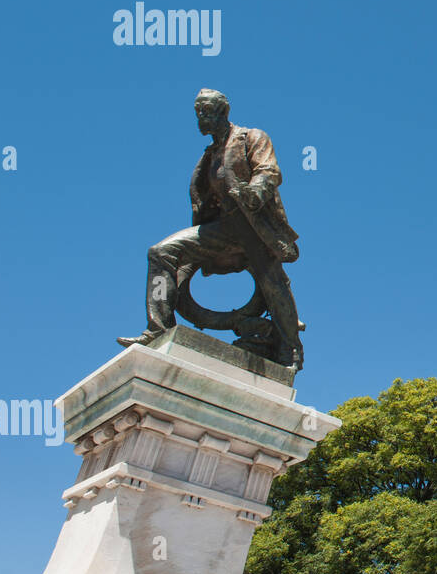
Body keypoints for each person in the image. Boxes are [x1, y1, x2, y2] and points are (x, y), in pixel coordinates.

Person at [116, 89, 304, 369]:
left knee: (273, 284)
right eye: (198, 113)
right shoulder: (210, 154)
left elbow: (269, 172)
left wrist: (253, 192)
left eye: (206, 111)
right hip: (224, 228)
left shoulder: (251, 137)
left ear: (223, 112)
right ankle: (158, 329)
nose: (201, 118)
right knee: (160, 252)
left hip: (254, 226)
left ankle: (291, 350)